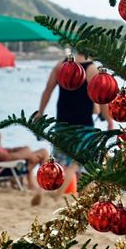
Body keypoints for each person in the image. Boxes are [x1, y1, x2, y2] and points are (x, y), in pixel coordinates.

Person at [38, 52, 106, 192]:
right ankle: (79, 200)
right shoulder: (91, 69)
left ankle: (49, 193)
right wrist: (109, 119)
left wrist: (40, 112)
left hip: (62, 123)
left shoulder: (61, 65)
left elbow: (48, 88)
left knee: (60, 165)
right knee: (83, 166)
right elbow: (101, 95)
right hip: (84, 125)